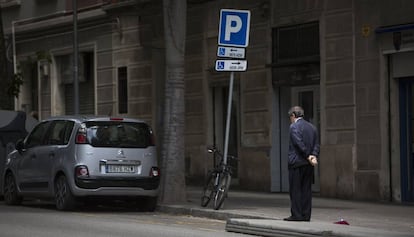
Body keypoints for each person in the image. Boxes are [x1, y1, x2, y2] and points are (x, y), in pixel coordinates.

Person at [284, 106, 320, 222]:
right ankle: (306, 215)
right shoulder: (312, 127)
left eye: (290, 117)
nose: (290, 119)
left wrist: (307, 155)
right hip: (308, 164)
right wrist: (313, 155)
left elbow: (298, 143)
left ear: (293, 115)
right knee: (306, 190)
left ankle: (296, 215)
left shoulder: (293, 126)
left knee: (295, 190)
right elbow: (316, 144)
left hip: (296, 162)